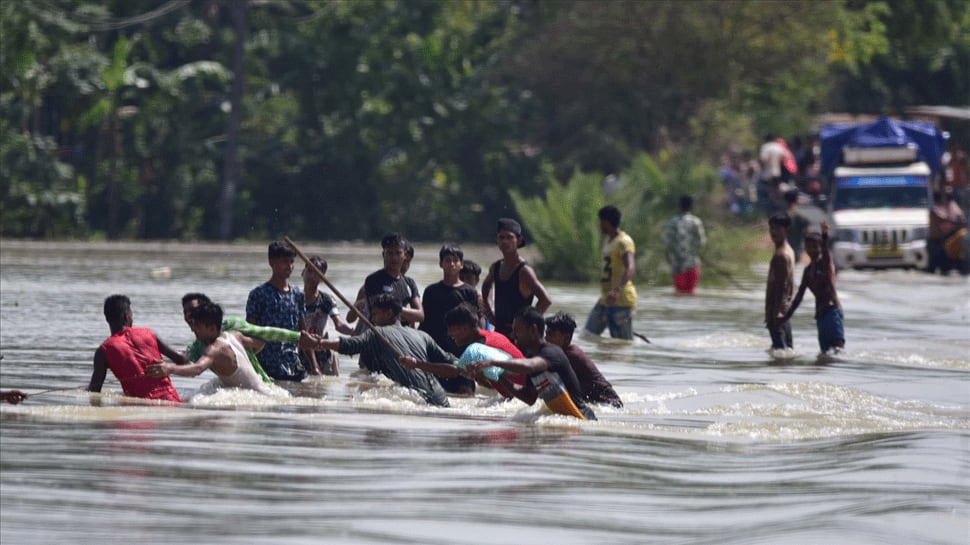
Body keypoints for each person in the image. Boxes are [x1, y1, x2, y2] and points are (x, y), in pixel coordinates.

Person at [302, 294, 450, 407]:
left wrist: (319, 342)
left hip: (418, 400)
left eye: (375, 314)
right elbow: (449, 359)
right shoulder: (421, 334)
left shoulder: (376, 332)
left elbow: (350, 345)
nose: (372, 318)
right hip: (441, 398)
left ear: (389, 313)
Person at [466, 307, 596, 420]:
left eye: (517, 330)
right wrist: (499, 375)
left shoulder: (552, 352)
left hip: (583, 419)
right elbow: (529, 398)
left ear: (533, 330)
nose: (513, 335)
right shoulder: (531, 356)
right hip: (565, 417)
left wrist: (493, 362)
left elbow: (530, 366)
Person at [147, 301, 278, 395]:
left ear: (212, 328)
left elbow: (197, 369)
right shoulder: (235, 335)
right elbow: (261, 343)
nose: (194, 330)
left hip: (254, 398)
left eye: (198, 327)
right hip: (267, 392)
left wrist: (169, 369)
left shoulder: (214, 350)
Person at [401, 303, 526, 399]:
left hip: (522, 396)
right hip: (526, 391)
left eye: (452, 329)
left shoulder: (476, 349)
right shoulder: (494, 335)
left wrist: (416, 364)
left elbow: (451, 372)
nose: (449, 334)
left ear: (465, 328)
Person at [88, 294, 185, 402]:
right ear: (126, 316)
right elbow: (181, 360)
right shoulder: (149, 334)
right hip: (172, 401)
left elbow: (94, 393)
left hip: (139, 407)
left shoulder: (103, 351)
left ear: (107, 319)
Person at [418, 244, 480, 394]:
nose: (451, 264)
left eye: (455, 260)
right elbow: (425, 324)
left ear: (461, 265)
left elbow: (476, 325)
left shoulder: (469, 292)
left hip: (462, 352)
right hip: (436, 351)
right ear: (441, 264)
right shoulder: (431, 291)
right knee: (437, 393)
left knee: (466, 393)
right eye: (447, 260)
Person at [780, 223, 845, 354]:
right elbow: (799, 297)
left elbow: (826, 253)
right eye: (808, 246)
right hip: (820, 315)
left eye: (815, 246)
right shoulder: (808, 271)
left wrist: (825, 235)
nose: (811, 249)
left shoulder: (826, 264)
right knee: (824, 352)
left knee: (838, 349)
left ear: (821, 247)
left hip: (832, 311)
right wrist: (786, 317)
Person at [246, 241, 306, 382]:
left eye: (292, 262)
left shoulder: (297, 295)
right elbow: (248, 331)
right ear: (271, 262)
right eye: (285, 261)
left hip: (291, 364)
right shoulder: (259, 294)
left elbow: (303, 334)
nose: (290, 266)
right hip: (265, 366)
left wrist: (315, 367)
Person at [481, 218, 552, 337]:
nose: (505, 241)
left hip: (519, 338)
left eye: (509, 237)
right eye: (501, 237)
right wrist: (489, 313)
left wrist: (526, 324)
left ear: (518, 240)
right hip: (499, 332)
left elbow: (545, 300)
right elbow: (486, 286)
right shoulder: (496, 267)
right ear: (497, 241)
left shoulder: (524, 271)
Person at [348, 233, 424, 334]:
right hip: (377, 335)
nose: (394, 257)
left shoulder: (409, 283)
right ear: (383, 254)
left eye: (398, 253)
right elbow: (382, 313)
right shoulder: (373, 280)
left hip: (400, 336)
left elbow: (420, 315)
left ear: (405, 255)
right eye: (390, 253)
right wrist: (405, 315)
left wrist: (398, 311)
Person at [546, 312, 622, 407]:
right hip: (593, 401)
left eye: (551, 334)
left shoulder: (571, 356)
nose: (546, 338)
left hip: (608, 404)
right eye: (546, 334)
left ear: (566, 338)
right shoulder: (563, 354)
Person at [584, 205, 637, 339]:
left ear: (607, 222)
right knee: (587, 335)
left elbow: (630, 268)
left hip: (621, 301)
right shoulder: (608, 241)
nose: (599, 225)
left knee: (622, 345)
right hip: (605, 299)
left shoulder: (624, 242)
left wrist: (617, 290)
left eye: (601, 221)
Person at [302, 256, 354, 376]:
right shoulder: (295, 298)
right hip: (301, 352)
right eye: (309, 271)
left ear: (322, 278)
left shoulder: (326, 300)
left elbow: (339, 325)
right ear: (303, 272)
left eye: (316, 273)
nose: (311, 276)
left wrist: (353, 332)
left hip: (323, 352)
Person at [661, 195, 707, 295]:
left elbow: (666, 242)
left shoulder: (672, 222)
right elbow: (702, 242)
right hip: (692, 264)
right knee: (691, 292)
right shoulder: (696, 222)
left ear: (679, 206)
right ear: (691, 206)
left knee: (679, 293)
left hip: (677, 265)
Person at [765, 213, 796, 351]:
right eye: (771, 228)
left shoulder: (782, 255)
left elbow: (782, 286)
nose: (773, 232)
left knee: (780, 352)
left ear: (787, 230)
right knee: (784, 352)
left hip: (778, 312)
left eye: (777, 228)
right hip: (784, 312)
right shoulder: (788, 250)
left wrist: (777, 312)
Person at [927, 190, 967, 274]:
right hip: (934, 242)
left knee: (943, 266)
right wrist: (954, 221)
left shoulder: (947, 208)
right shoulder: (934, 210)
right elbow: (942, 218)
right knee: (932, 267)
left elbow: (955, 219)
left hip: (940, 241)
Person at [460, 259, 491, 330]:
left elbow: (483, 326)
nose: (464, 281)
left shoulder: (480, 300)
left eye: (468, 278)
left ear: (477, 280)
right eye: (461, 278)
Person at [784, 189, 811, 263]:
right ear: (796, 200)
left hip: (784, 248)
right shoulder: (800, 216)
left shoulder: (782, 214)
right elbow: (808, 231)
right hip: (796, 249)